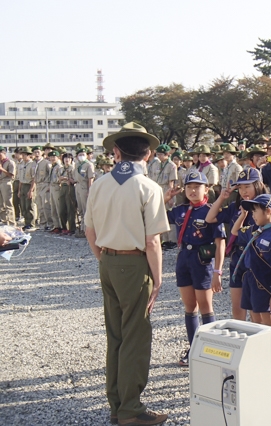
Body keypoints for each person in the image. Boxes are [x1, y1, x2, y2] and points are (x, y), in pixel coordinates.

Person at [84, 122, 169, 426]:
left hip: (107, 260)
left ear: (116, 152)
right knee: (136, 335)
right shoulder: (148, 187)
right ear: (148, 154)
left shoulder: (100, 184)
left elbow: (89, 230)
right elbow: (152, 241)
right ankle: (131, 410)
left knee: (116, 335)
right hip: (135, 264)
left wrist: (105, 258)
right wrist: (158, 279)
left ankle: (116, 403)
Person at [163, 171, 226, 367]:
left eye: (197, 187)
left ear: (206, 189)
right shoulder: (180, 210)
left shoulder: (211, 211)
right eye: (189, 187)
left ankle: (210, 350)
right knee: (190, 307)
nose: (192, 190)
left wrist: (218, 271)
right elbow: (156, 216)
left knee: (206, 307)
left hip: (202, 262)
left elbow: (220, 243)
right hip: (183, 259)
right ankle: (194, 349)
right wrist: (166, 198)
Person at [206, 168, 267, 321]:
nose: (243, 191)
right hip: (237, 258)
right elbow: (210, 218)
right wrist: (221, 198)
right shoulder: (236, 207)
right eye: (240, 188)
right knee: (237, 307)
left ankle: (257, 342)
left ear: (258, 185)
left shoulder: (266, 207)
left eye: (248, 186)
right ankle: (242, 341)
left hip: (257, 259)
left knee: (256, 309)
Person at [231, 194, 271, 327]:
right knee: (255, 320)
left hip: (265, 283)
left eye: (255, 210)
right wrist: (243, 216)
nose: (253, 214)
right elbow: (235, 231)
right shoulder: (254, 231)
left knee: (268, 323)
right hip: (251, 279)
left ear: (268, 211)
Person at [73, 147, 95, 237]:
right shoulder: (77, 164)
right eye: (79, 155)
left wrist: (90, 190)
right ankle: (82, 228)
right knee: (81, 209)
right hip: (77, 186)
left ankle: (87, 230)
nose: (81, 156)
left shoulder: (89, 165)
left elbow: (91, 178)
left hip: (84, 187)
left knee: (86, 209)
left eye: (83, 154)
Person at [31, 146, 52, 231]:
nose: (36, 154)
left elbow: (51, 174)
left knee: (46, 205)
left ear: (42, 153)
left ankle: (50, 223)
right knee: (40, 206)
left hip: (45, 184)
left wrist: (49, 186)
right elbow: (33, 176)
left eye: (38, 152)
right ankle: (43, 224)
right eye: (35, 152)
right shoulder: (33, 164)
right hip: (38, 185)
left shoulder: (46, 162)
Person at [58, 153, 77, 235]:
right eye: (65, 158)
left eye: (68, 158)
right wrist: (61, 179)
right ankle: (64, 228)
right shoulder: (61, 169)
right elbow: (58, 179)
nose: (66, 160)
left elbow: (75, 180)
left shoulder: (73, 168)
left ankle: (72, 228)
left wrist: (67, 178)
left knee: (70, 209)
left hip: (70, 188)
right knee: (61, 209)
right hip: (62, 188)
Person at [19, 147, 36, 230]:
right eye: (22, 154)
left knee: (29, 205)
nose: (22, 156)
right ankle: (26, 223)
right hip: (23, 185)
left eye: (24, 154)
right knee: (23, 206)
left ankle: (31, 223)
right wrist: (19, 190)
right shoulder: (22, 164)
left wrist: (31, 190)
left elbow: (34, 178)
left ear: (29, 155)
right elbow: (20, 179)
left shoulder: (32, 164)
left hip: (29, 185)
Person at [47, 151, 63, 233]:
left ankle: (61, 225)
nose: (52, 158)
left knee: (58, 207)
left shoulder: (59, 166)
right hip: (52, 187)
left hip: (57, 187)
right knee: (53, 208)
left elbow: (60, 177)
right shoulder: (52, 166)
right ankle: (56, 225)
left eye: (54, 157)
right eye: (51, 157)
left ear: (58, 157)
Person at [0, 146, 16, 226]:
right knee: (1, 204)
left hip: (6, 182)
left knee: (8, 203)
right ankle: (4, 221)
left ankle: (11, 222)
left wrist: (2, 169)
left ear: (4, 153)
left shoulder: (10, 162)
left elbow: (12, 175)